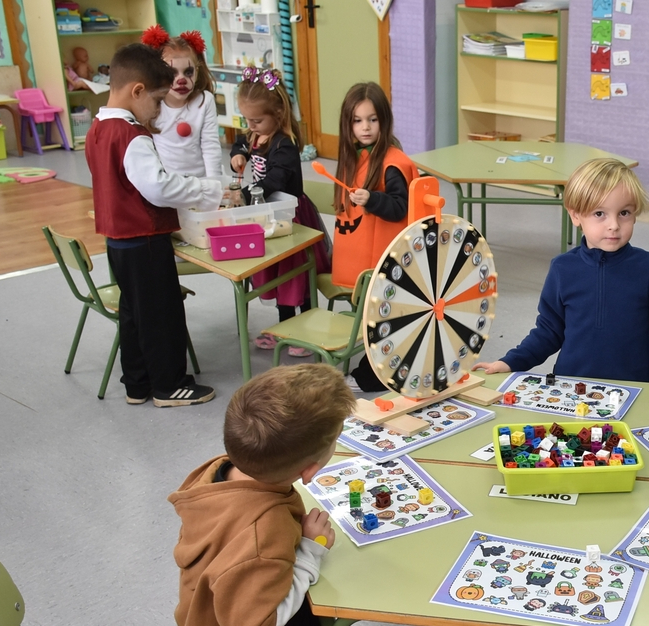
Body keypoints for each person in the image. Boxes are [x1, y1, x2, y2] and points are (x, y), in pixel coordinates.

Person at [171, 364, 389, 626]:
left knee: (321, 622)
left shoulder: (221, 471)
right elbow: (254, 624)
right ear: (310, 471)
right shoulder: (262, 532)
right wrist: (308, 551)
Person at [473, 158, 649, 388]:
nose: (614, 225)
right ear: (576, 215)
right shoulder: (562, 269)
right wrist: (511, 362)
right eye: (600, 213)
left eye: (624, 213)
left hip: (635, 389)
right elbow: (548, 332)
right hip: (571, 388)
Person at [86, 43, 221, 406]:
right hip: (144, 240)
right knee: (161, 315)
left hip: (118, 242)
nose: (159, 111)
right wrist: (207, 189)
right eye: (158, 101)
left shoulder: (98, 127)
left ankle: (137, 383)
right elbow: (158, 187)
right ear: (138, 91)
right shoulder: (131, 135)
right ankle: (169, 385)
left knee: (134, 314)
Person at [230, 68, 331, 356]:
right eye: (247, 120)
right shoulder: (256, 133)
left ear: (278, 113)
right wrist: (237, 154)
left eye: (257, 120)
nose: (251, 126)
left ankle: (307, 331)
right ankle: (286, 329)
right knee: (278, 273)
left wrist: (245, 194)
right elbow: (240, 141)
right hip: (272, 213)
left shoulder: (283, 146)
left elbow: (274, 180)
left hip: (292, 217)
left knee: (296, 276)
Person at [328, 82, 419, 392]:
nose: (365, 127)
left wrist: (373, 200)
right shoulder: (354, 156)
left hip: (383, 259)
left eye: (372, 119)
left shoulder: (393, 162)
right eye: (357, 120)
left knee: (383, 319)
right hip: (363, 257)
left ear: (384, 120)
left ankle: (371, 376)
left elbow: (401, 207)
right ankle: (371, 368)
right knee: (372, 315)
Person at [141, 25, 222, 178]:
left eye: (188, 72)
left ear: (197, 71)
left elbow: (211, 147)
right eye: (172, 73)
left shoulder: (204, 101)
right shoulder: (151, 104)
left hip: (201, 182)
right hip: (168, 185)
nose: (181, 80)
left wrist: (214, 186)